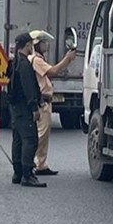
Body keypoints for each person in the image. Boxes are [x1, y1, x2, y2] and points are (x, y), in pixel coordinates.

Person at [29, 29, 77, 176]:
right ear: (37, 44)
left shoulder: (38, 59)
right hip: (42, 102)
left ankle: (41, 165)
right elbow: (53, 71)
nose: (46, 45)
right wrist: (67, 59)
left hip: (45, 101)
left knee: (44, 135)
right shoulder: (36, 60)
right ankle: (30, 162)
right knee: (40, 135)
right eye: (44, 43)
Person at [8, 32, 46, 188]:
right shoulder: (24, 65)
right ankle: (27, 174)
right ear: (28, 45)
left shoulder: (15, 62)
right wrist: (34, 107)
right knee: (30, 140)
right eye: (31, 44)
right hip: (24, 107)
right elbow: (29, 88)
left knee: (18, 139)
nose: (32, 46)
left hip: (15, 107)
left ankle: (17, 173)